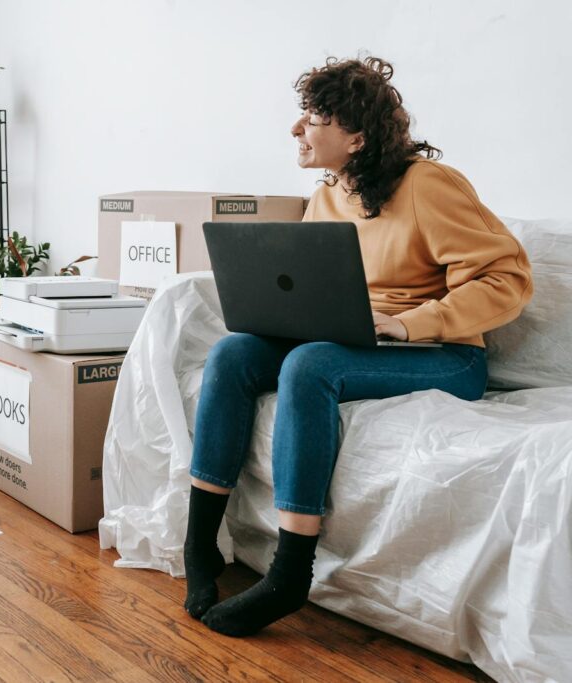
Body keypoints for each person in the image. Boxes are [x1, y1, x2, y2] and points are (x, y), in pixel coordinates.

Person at [183, 56, 533, 637]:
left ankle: (289, 575)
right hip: (355, 340)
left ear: (358, 136)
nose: (297, 129)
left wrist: (409, 322)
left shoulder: (429, 186)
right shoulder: (326, 196)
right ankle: (200, 547)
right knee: (234, 353)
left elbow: (510, 279)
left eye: (314, 118)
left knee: (310, 365)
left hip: (446, 355)